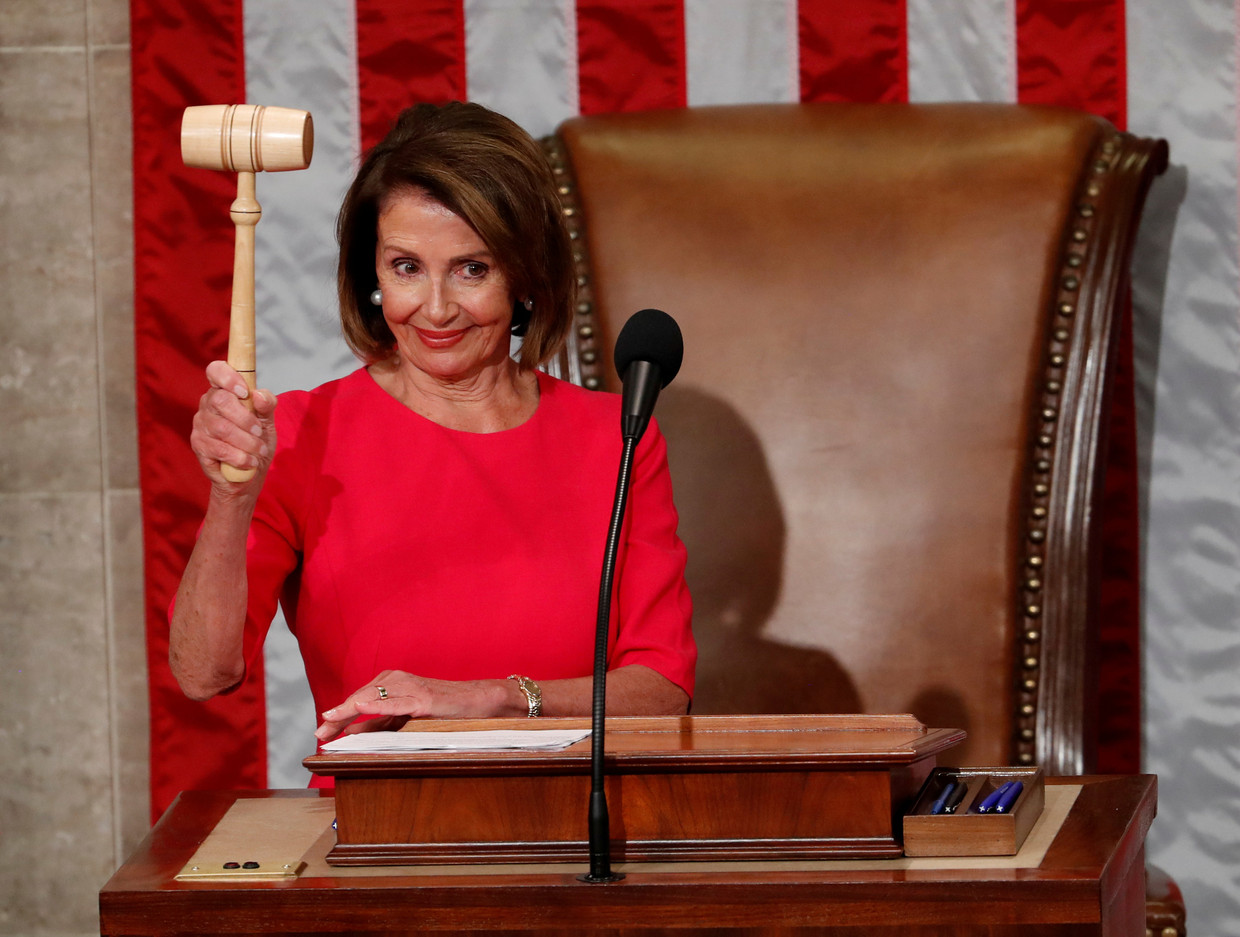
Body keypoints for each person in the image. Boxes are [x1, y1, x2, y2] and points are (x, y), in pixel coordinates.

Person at [169, 102, 695, 761]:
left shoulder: (617, 437)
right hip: (379, 836)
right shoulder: (306, 431)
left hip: (578, 827)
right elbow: (203, 672)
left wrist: (492, 699)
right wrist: (230, 498)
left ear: (526, 274)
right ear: (372, 275)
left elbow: (662, 687)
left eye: (472, 268)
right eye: (406, 267)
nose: (437, 307)